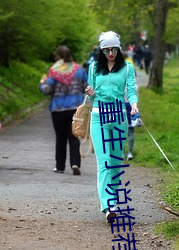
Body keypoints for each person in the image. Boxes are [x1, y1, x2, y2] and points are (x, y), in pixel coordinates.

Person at [85, 31, 138, 222]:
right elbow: (91, 96)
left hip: (118, 117)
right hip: (98, 117)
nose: (110, 53)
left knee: (115, 162)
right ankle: (108, 204)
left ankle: (113, 200)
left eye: (113, 49)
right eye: (106, 50)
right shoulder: (93, 68)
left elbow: (131, 90)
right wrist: (90, 92)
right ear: (101, 50)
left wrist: (133, 104)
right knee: (104, 161)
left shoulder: (127, 68)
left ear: (119, 48)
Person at [39, 45, 88, 175]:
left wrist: (42, 83)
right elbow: (86, 87)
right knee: (74, 137)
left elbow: (47, 90)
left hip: (58, 109)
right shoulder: (79, 70)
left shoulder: (54, 71)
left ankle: (60, 166)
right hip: (75, 109)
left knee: (60, 138)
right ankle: (75, 163)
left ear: (58, 57)